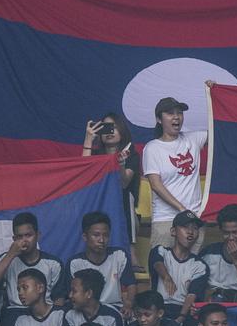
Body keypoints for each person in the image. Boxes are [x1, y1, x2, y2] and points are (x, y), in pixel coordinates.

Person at [142, 97, 207, 251]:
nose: (176, 117)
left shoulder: (193, 139)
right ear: (159, 119)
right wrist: (181, 209)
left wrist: (215, 93)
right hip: (166, 220)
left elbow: (222, 129)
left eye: (179, 113)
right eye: (170, 113)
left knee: (193, 271)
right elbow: (156, 185)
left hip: (194, 220)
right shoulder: (152, 148)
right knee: (163, 271)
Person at [83, 113, 143, 268]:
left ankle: (131, 250)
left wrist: (121, 165)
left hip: (124, 208)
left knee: (124, 196)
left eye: (114, 128)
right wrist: (89, 139)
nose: (110, 132)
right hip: (99, 205)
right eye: (106, 128)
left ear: (122, 131)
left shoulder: (132, 156)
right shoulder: (96, 156)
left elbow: (124, 183)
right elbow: (83, 173)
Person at [0, 212, 63, 318]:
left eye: (28, 235)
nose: (24, 241)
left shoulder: (53, 263)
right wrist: (11, 254)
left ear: (38, 235)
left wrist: (54, 320)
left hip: (45, 315)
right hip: (14, 314)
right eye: (19, 237)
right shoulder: (6, 259)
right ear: (14, 239)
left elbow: (59, 299)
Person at [148, 211, 209, 326]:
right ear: (173, 231)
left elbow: (192, 295)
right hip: (159, 308)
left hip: (183, 310)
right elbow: (157, 262)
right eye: (185, 227)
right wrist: (166, 276)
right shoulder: (161, 251)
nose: (190, 232)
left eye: (195, 228)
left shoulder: (199, 265)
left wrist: (180, 318)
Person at [62, 211, 135, 314]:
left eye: (106, 235)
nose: (101, 240)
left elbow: (130, 285)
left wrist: (128, 305)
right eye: (96, 235)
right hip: (85, 312)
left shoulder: (119, 255)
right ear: (85, 237)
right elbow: (72, 296)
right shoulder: (75, 263)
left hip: (114, 310)